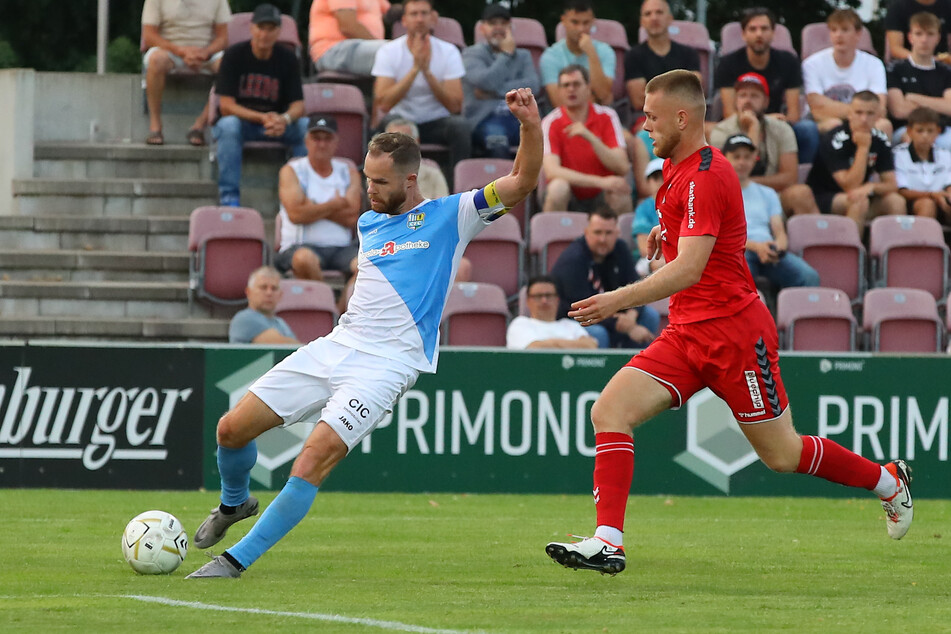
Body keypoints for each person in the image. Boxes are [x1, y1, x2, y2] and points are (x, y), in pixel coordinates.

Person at [545, 70, 913, 576]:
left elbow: (692, 267)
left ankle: (888, 481)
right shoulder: (675, 168)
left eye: (652, 117)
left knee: (782, 455)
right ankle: (609, 541)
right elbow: (693, 240)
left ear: (681, 117)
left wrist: (616, 301)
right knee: (610, 410)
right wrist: (664, 234)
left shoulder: (706, 173)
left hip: (736, 335)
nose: (644, 126)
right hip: (687, 332)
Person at [184, 87, 543, 579]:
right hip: (336, 345)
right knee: (230, 429)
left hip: (387, 365)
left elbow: (522, 181)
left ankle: (234, 561)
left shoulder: (453, 215)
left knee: (312, 459)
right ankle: (233, 504)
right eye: (366, 179)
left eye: (379, 181)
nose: (369, 190)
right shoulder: (370, 221)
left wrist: (528, 125)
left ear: (411, 179)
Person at [213, 4, 310, 207]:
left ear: (278, 32)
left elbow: (298, 106)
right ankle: (229, 196)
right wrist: (262, 118)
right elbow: (226, 106)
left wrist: (283, 119)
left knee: (305, 127)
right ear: (252, 28)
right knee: (228, 126)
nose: (265, 34)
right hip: (245, 123)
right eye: (261, 27)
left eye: (271, 28)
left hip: (277, 125)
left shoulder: (288, 59)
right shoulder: (233, 55)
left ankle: (300, 193)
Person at [371, 0, 470, 183]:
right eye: (414, 14)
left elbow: (455, 105)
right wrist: (415, 69)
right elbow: (384, 102)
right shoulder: (388, 51)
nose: (419, 19)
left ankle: (459, 189)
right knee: (387, 127)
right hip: (401, 118)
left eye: (424, 13)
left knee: (461, 127)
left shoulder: (449, 52)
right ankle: (391, 187)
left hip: (435, 121)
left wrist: (427, 72)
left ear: (433, 18)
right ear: (404, 20)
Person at [713, 7, 816, 163]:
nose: (759, 34)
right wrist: (765, 120)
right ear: (743, 34)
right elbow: (729, 112)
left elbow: (794, 114)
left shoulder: (788, 61)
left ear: (773, 33)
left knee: (808, 129)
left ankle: (797, 176)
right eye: (752, 29)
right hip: (738, 124)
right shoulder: (728, 63)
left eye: (764, 28)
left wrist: (771, 123)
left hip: (779, 126)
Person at [709, 72, 820, 216]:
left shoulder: (782, 129)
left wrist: (750, 183)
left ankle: (823, 238)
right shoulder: (721, 131)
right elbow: (726, 179)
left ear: (766, 102)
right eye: (743, 95)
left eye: (754, 96)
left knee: (801, 194)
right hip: (733, 196)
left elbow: (790, 177)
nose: (748, 100)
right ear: (736, 101)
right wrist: (753, 131)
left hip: (773, 195)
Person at [549, 207, 659, 349]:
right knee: (598, 333)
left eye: (608, 233)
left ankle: (634, 365)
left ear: (617, 233)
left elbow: (635, 286)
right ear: (586, 232)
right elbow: (582, 309)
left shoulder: (621, 248)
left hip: (614, 313)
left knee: (650, 315)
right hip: (575, 320)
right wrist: (629, 327)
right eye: (597, 232)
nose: (602, 239)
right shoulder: (572, 260)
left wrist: (631, 317)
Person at [275, 115, 363, 291]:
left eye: (327, 138)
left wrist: (311, 206)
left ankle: (338, 313)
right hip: (300, 245)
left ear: (336, 141)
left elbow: (352, 217)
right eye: (316, 138)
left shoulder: (349, 171)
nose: (321, 144)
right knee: (304, 260)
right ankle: (328, 305)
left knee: (367, 266)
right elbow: (296, 215)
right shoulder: (292, 170)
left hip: (342, 247)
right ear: (306, 140)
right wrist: (336, 204)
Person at [721, 134, 820, 290]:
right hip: (736, 252)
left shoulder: (767, 193)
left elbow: (779, 230)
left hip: (768, 249)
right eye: (736, 157)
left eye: (747, 157)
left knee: (809, 277)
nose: (742, 162)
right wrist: (756, 247)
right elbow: (722, 236)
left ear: (754, 159)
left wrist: (779, 246)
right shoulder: (717, 193)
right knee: (739, 280)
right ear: (725, 158)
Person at [806, 91, 906, 232]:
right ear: (849, 114)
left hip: (858, 195)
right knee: (859, 201)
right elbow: (850, 185)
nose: (864, 119)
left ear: (878, 116)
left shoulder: (880, 139)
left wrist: (872, 187)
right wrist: (863, 148)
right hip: (825, 198)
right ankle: (850, 252)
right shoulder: (835, 139)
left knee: (896, 201)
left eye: (870, 113)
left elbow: (891, 185)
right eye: (858, 113)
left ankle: (894, 251)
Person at [541, 65, 632, 214]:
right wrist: (600, 181)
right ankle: (553, 234)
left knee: (620, 193)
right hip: (571, 193)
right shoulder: (550, 122)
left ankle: (621, 237)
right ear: (559, 91)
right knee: (558, 188)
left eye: (576, 84)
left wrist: (591, 138)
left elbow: (622, 166)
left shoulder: (607, 116)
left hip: (602, 194)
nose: (571, 89)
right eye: (565, 85)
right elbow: (552, 171)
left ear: (588, 88)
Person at [141, 0, 231, 146]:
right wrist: (181, 51)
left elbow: (223, 38)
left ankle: (199, 125)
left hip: (205, 52)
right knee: (155, 60)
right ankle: (155, 126)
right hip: (170, 50)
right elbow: (149, 35)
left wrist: (205, 53)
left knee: (230, 67)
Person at [462, 4, 541, 158]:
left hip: (519, 118)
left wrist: (493, 92)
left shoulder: (523, 55)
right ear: (482, 28)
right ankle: (502, 183)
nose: (498, 28)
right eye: (492, 24)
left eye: (503, 24)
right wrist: (505, 55)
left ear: (510, 27)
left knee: (543, 137)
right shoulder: (471, 54)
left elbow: (533, 85)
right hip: (484, 119)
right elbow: (485, 81)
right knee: (496, 139)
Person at [802, 9, 891, 136]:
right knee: (834, 124)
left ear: (858, 34)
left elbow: (880, 108)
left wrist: (833, 108)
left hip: (864, 122)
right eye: (834, 30)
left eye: (844, 30)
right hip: (824, 121)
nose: (838, 35)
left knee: (884, 125)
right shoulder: (812, 63)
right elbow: (816, 108)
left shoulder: (874, 64)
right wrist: (863, 112)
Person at [886, 11, 951, 149]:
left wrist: (914, 98)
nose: (924, 40)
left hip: (942, 130)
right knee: (916, 140)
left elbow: (950, 107)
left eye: (930, 34)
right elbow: (898, 110)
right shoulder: (895, 69)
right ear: (910, 37)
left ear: (938, 38)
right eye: (919, 33)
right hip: (906, 130)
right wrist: (938, 105)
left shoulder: (946, 71)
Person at [624, 0, 701, 114]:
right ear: (642, 21)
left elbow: (695, 92)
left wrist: (653, 93)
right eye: (648, 14)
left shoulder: (689, 54)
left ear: (670, 18)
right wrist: (678, 93)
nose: (654, 18)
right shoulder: (633, 56)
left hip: (685, 116)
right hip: (648, 118)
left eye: (659, 12)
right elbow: (639, 100)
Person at [540, 0, 616, 108]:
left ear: (593, 22)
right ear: (564, 21)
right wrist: (594, 97)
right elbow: (559, 102)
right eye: (575, 22)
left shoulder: (606, 51)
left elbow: (603, 94)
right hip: (565, 121)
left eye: (586, 23)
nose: (581, 29)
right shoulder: (550, 56)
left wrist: (591, 53)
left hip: (600, 119)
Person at [507, 276, 598, 350]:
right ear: (528, 301)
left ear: (557, 299)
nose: (544, 300)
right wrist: (572, 345)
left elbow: (590, 346)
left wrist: (551, 344)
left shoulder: (571, 325)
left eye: (549, 295)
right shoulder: (520, 324)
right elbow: (533, 349)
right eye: (538, 296)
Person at [893, 106, 951, 220]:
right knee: (927, 204)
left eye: (930, 131)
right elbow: (902, 191)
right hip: (912, 202)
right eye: (920, 130)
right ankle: (923, 238)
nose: (925, 136)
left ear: (938, 131)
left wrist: (947, 196)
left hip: (941, 199)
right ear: (909, 131)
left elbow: (949, 183)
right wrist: (932, 195)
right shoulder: (898, 155)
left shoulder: (945, 154)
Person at [309, 0, 393, 75]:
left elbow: (391, 13)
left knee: (399, 51)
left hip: (358, 48)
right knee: (396, 52)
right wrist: (388, 47)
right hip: (333, 49)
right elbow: (348, 27)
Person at [229, 266, 300, 344]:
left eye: (274, 288)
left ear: (280, 295)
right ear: (248, 292)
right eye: (263, 287)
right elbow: (282, 345)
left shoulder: (281, 322)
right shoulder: (244, 318)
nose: (269, 293)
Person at [383, 118, 449, 198]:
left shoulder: (433, 175)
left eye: (403, 140)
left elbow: (443, 208)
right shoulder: (376, 176)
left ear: (416, 142)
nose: (397, 146)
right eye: (391, 141)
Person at [885, 0, 951, 64]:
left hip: (943, 68)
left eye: (930, 34)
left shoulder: (947, 6)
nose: (924, 40)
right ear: (909, 36)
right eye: (918, 34)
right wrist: (926, 61)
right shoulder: (898, 7)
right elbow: (895, 48)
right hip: (906, 67)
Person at [632, 158, 666, 277]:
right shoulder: (643, 209)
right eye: (655, 178)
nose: (660, 182)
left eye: (664, 177)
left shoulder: (680, 204)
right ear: (648, 182)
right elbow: (646, 250)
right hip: (653, 259)